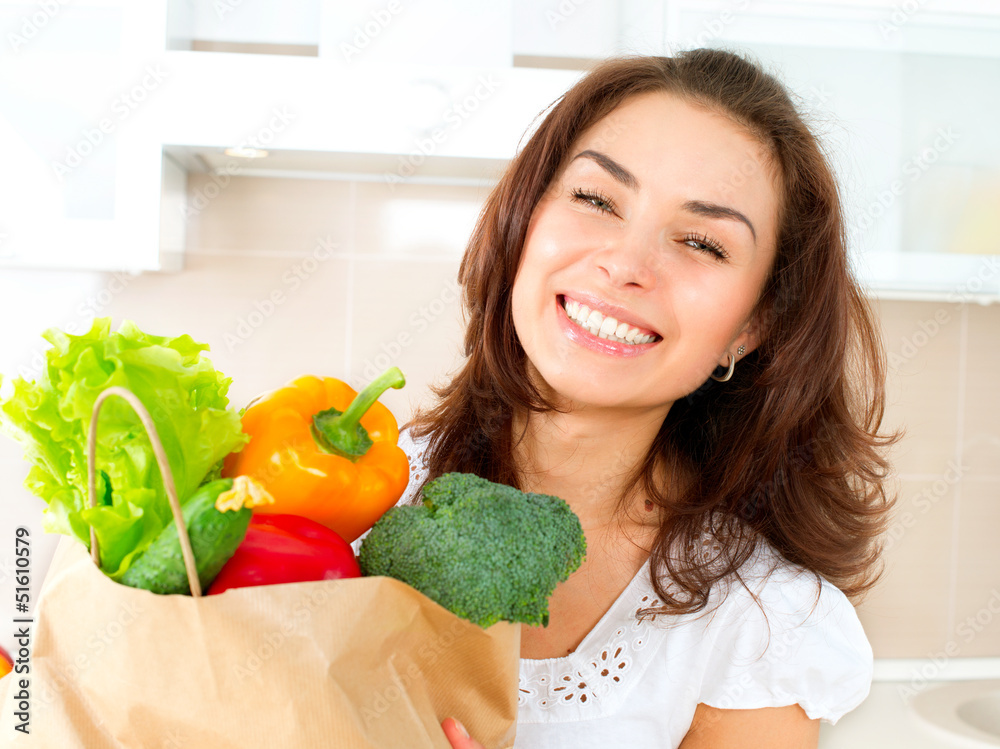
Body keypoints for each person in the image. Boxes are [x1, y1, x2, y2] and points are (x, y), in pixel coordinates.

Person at [388, 48, 897, 748]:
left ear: (752, 325)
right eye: (596, 199)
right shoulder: (349, 495)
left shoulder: (760, 626)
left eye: (701, 242)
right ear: (525, 221)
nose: (626, 266)